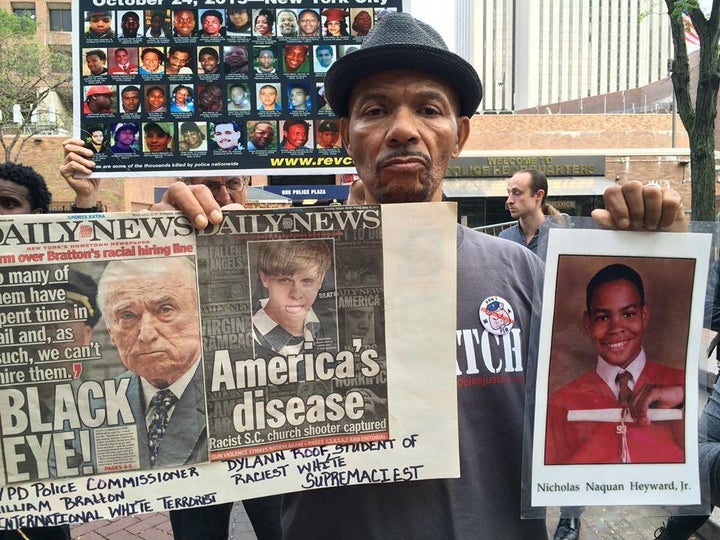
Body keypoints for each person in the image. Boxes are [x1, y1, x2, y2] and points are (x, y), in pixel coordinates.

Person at [145, 12, 684, 538]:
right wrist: (167, 259)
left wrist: (659, 256)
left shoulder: (523, 272)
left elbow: (608, 415)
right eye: (375, 110)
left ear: (461, 134)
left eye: (428, 108)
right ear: (345, 136)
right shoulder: (278, 274)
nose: (403, 130)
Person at [60, 137, 284, 538]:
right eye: (200, 183)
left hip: (263, 442)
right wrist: (96, 208)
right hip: (189, 458)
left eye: (229, 183)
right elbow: (86, 275)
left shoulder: (276, 250)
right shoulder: (156, 250)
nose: (214, 196)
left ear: (246, 186)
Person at [546, 263, 685, 464]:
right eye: (603, 317)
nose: (616, 327)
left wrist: (683, 399)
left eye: (628, 314)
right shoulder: (559, 404)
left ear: (644, 315)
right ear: (587, 323)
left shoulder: (680, 386)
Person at [0, 163, 67, 540]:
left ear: (36, 216)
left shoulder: (52, 268)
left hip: (35, 452)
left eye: (8, 204)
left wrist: (87, 198)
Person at [252, 240, 337, 358]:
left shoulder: (336, 320)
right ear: (264, 278)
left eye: (307, 281)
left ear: (321, 280)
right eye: (285, 280)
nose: (296, 294)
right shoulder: (248, 334)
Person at [499, 169, 555, 254]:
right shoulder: (505, 237)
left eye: (517, 193)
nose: (509, 201)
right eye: (509, 193)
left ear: (539, 195)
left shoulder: (558, 237)